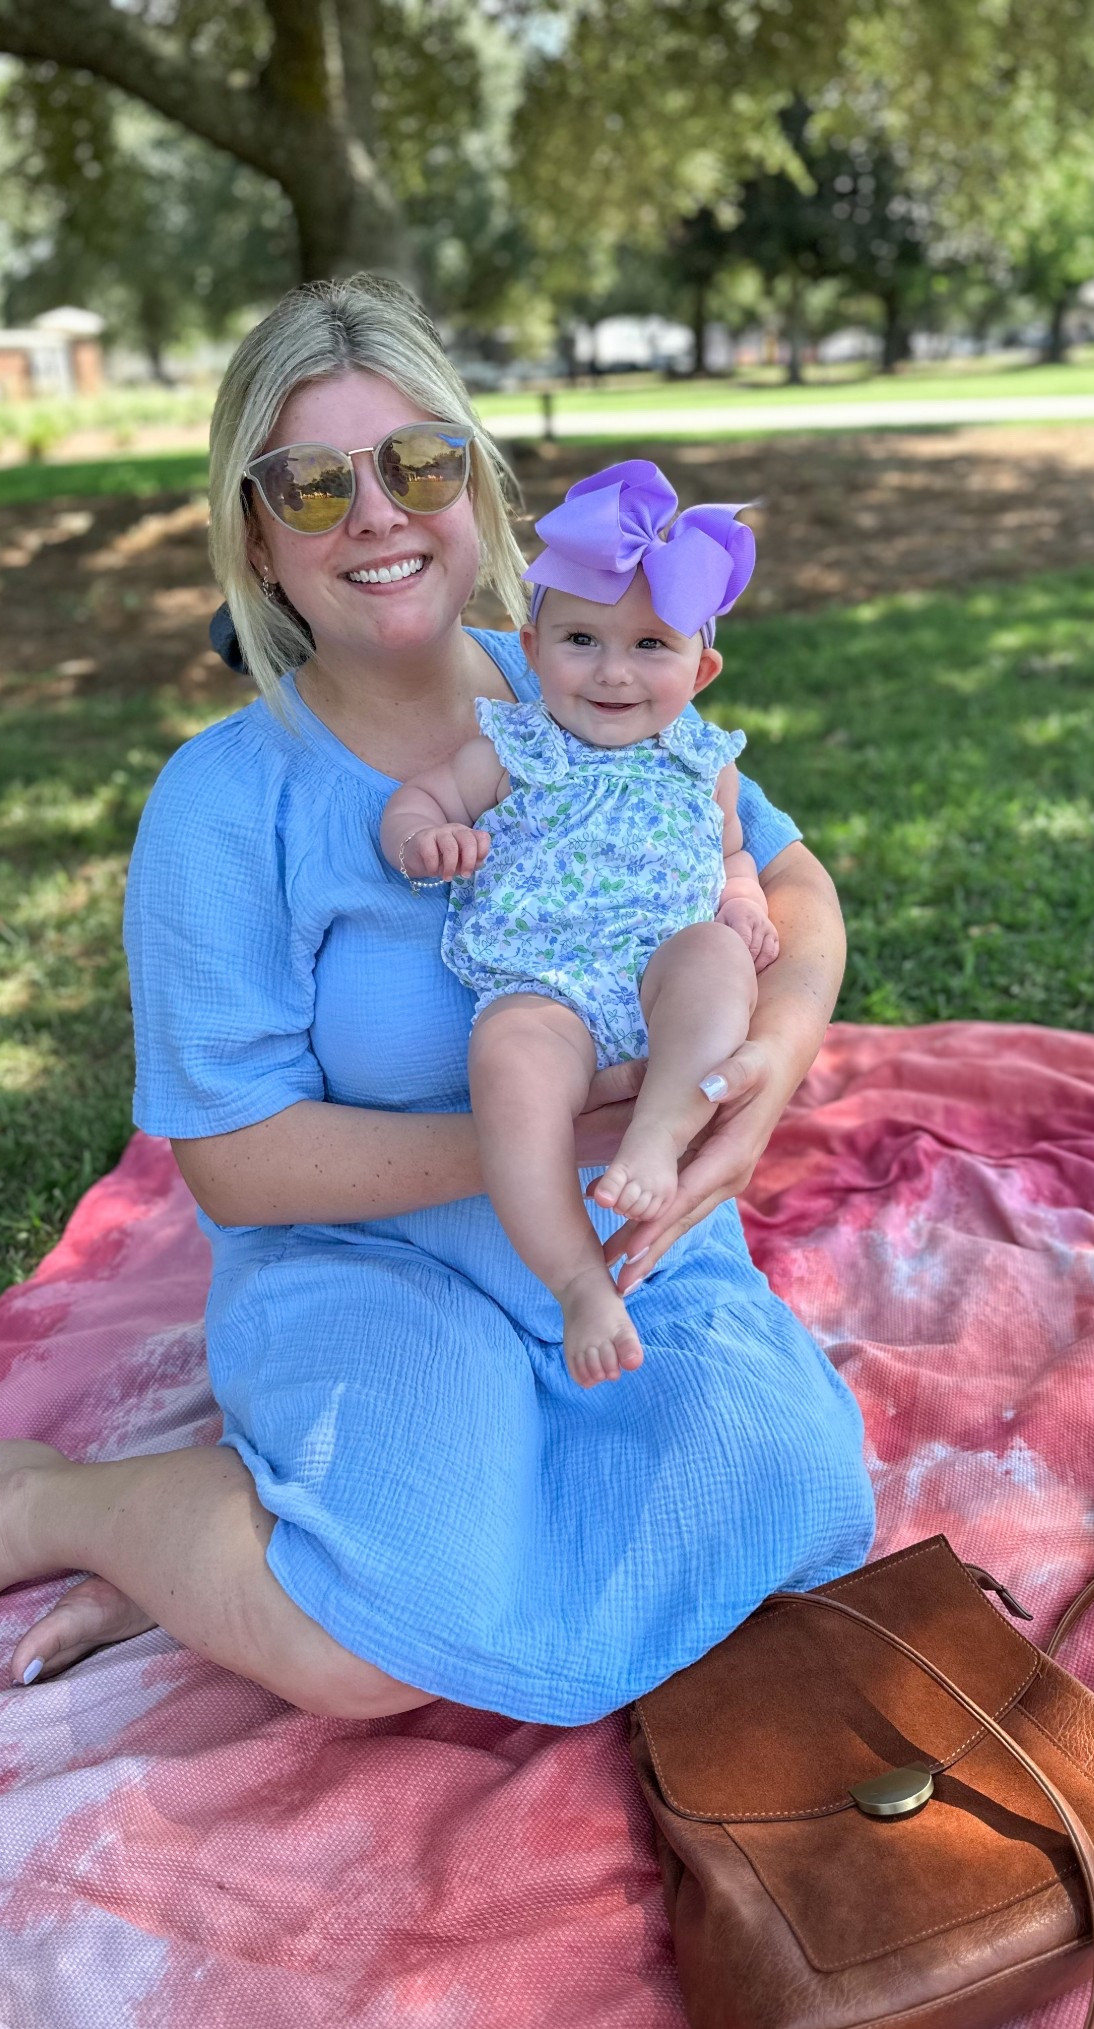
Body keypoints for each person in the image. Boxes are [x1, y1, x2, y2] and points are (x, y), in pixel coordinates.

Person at [0, 276, 873, 1727]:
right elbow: (237, 1161)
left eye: (417, 464)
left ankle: (275, 1528)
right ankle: (40, 1506)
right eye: (313, 486)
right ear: (256, 540)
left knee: (793, 1496)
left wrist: (769, 1054)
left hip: (622, 1243)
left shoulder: (593, 673)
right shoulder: (226, 802)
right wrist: (546, 1143)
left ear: (480, 489)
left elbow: (790, 883)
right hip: (367, 1261)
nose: (377, 515)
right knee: (376, 1648)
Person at [380, 459, 778, 1387]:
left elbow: (731, 855)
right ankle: (576, 1281)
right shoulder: (514, 745)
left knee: (716, 958)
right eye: (581, 639)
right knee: (510, 1067)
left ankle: (657, 1133)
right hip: (546, 986)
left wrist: (745, 902)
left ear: (701, 670)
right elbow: (421, 798)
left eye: (650, 646)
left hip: (661, 972)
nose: (612, 671)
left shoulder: (704, 762)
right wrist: (425, 838)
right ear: (533, 644)